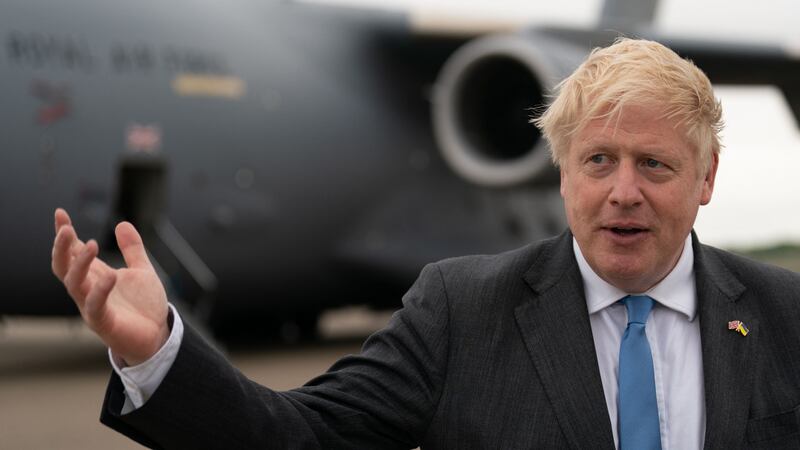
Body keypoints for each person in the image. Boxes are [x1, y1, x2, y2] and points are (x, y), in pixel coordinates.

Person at [51, 38, 800, 449]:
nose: (623, 191)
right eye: (597, 161)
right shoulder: (462, 311)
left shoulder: (785, 316)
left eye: (656, 165)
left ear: (706, 178)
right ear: (562, 175)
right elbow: (296, 440)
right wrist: (159, 354)